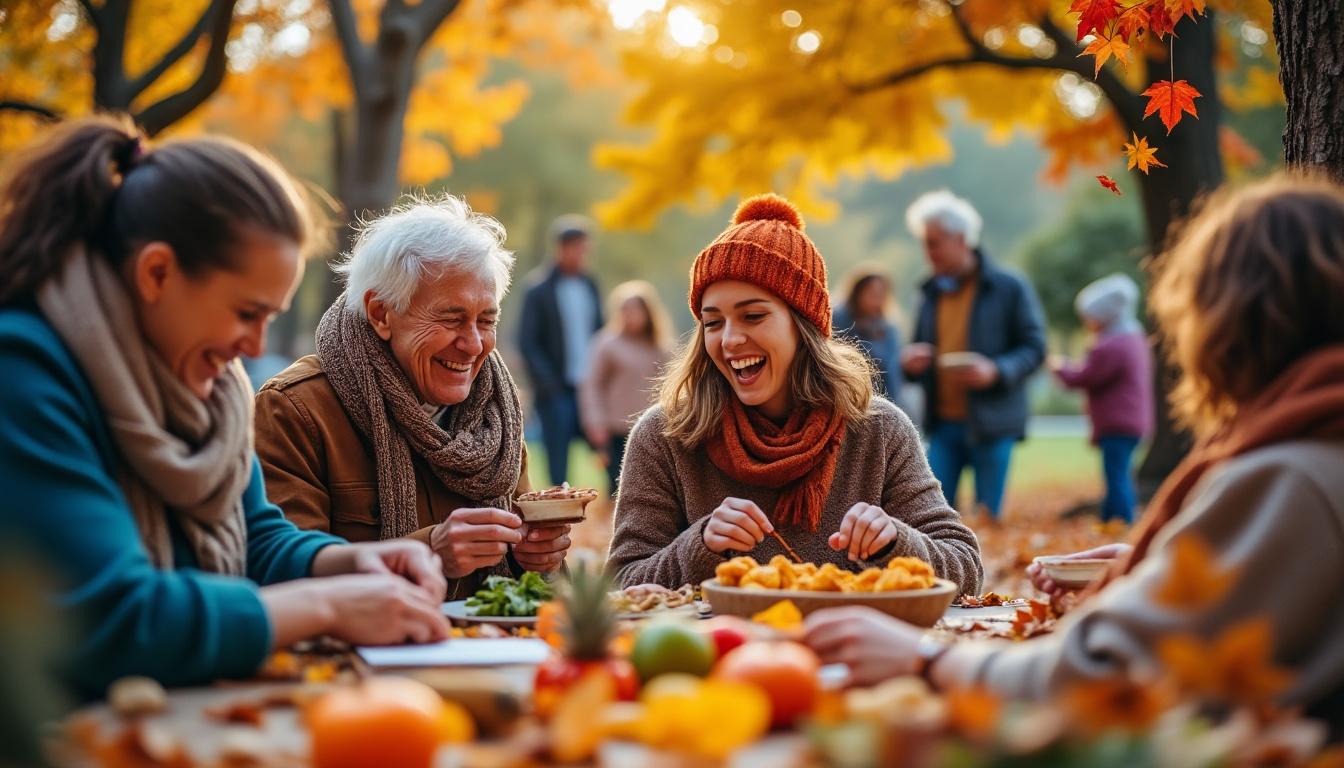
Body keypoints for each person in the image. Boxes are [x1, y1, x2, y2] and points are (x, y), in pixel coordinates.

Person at [804, 175, 1344, 733]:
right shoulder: (1315, 448)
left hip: (991, 419)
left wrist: (926, 658)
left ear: (1227, 321)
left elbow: (1102, 677)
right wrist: (1151, 567)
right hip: (948, 418)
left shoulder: (1291, 476)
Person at [0, 116, 449, 697]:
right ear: (156, 273)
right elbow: (110, 617)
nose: (256, 349)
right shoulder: (24, 370)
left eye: (270, 318)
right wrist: (326, 605)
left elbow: (253, 536)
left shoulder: (209, 390)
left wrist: (345, 564)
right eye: (246, 313)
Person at [607, 194, 982, 593]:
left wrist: (896, 542)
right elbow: (619, 584)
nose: (730, 340)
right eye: (713, 323)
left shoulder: (879, 430)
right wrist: (699, 546)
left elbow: (966, 570)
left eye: (753, 316)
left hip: (854, 651)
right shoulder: (665, 435)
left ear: (803, 326)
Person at [255, 197, 571, 602]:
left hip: (488, 656)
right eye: (451, 319)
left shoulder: (497, 418)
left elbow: (541, 599)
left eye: (486, 321)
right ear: (381, 314)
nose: (473, 345)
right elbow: (283, 578)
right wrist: (428, 554)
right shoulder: (295, 409)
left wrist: (540, 561)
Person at [901, 190, 1046, 520]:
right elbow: (918, 351)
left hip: (992, 423)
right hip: (942, 423)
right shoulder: (928, 292)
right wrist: (911, 364)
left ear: (962, 238)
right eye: (925, 243)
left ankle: (984, 574)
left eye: (935, 243)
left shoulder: (1009, 286)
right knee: (933, 516)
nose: (929, 252)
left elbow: (1035, 348)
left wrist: (996, 371)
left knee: (986, 519)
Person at [1050, 274, 1153, 525]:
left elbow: (1086, 377)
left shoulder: (1111, 346)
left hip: (1118, 423)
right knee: (1119, 473)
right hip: (1132, 421)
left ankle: (1120, 521)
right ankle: (1111, 519)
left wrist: (1060, 367)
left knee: (1116, 476)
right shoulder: (1134, 338)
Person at [517, 215, 604, 486]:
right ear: (562, 248)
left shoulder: (590, 285)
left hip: (589, 385)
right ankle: (559, 509)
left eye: (584, 249)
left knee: (605, 444)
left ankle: (613, 503)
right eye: (576, 248)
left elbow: (601, 331)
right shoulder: (538, 290)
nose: (581, 254)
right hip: (556, 388)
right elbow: (527, 340)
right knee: (558, 454)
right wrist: (548, 382)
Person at [578, 280, 675, 496]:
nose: (629, 315)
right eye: (624, 310)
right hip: (615, 430)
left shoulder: (660, 348)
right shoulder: (607, 344)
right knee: (618, 488)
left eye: (634, 309)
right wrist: (595, 422)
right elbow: (592, 385)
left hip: (652, 430)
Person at [832, 264, 903, 406]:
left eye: (881, 293)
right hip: (845, 398)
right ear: (857, 292)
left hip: (883, 401)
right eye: (872, 292)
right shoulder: (838, 322)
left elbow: (894, 370)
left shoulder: (888, 328)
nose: (877, 298)